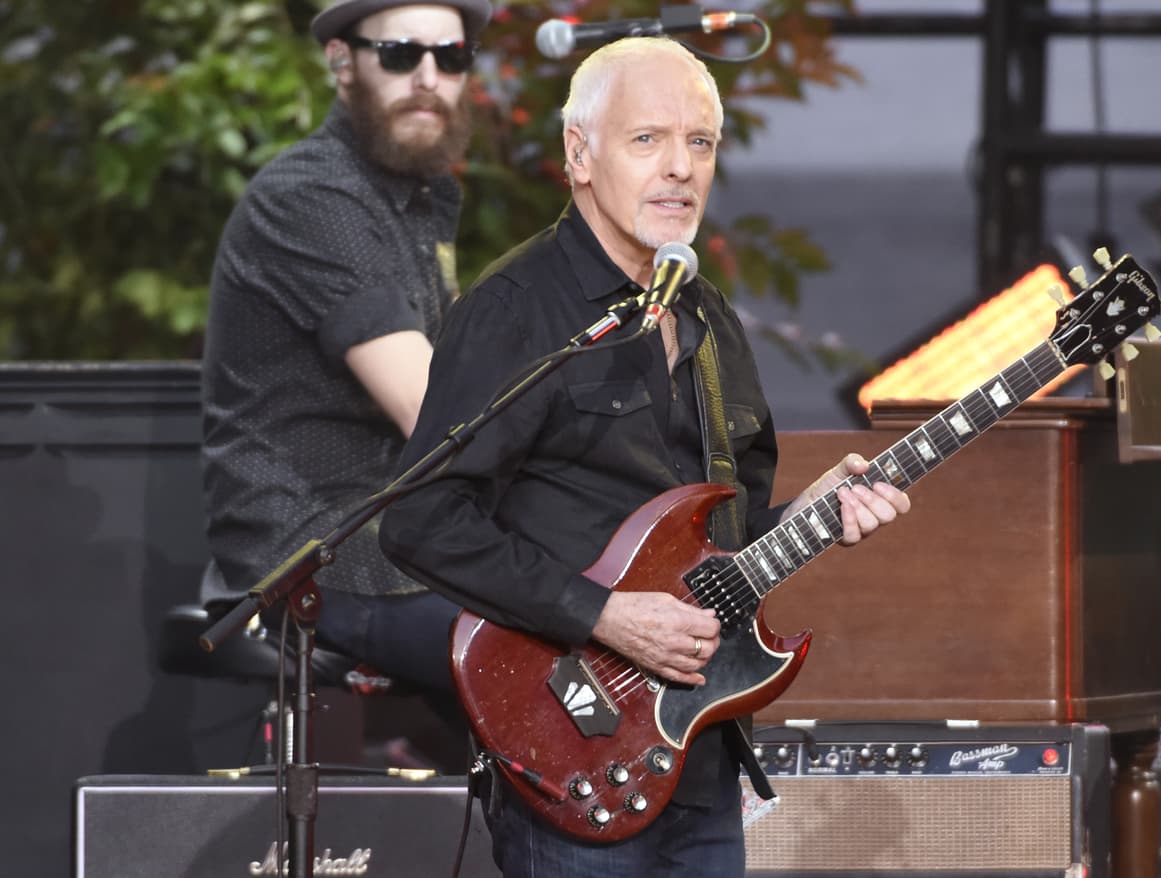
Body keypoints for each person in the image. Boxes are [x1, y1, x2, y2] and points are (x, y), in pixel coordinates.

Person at [379, 36, 912, 877]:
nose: (679, 169)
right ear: (579, 155)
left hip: (696, 752)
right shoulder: (517, 310)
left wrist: (818, 517)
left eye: (699, 143)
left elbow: (729, 545)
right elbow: (420, 518)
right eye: (647, 140)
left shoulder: (710, 322)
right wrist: (599, 614)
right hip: (567, 743)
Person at [199, 0, 491, 724]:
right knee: (550, 644)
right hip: (319, 549)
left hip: (410, 541)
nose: (429, 77)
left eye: (449, 58)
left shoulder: (422, 198)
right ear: (341, 62)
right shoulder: (314, 195)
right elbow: (437, 414)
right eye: (400, 54)